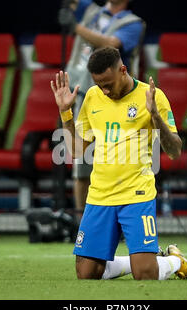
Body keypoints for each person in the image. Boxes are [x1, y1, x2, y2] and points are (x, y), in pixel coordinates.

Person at [51, 47, 187, 280]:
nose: (105, 90)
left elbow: (175, 151)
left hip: (136, 194)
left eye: (108, 83)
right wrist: (65, 113)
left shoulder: (153, 96)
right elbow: (77, 151)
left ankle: (174, 261)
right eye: (99, 84)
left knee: (146, 275)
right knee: (86, 274)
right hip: (100, 195)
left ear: (123, 70)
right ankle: (143, 261)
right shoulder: (92, 96)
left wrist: (156, 117)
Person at [58, 0, 145, 213]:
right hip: (84, 96)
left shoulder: (133, 23)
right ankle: (83, 225)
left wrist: (76, 27)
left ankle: (120, 223)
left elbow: (110, 44)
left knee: (120, 164)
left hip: (117, 101)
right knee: (82, 165)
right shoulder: (91, 11)